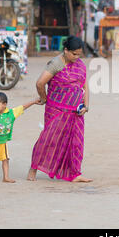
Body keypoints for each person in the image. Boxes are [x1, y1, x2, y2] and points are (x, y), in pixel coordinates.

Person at [27, 36, 92, 183]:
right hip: (56, 110)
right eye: (74, 54)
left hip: (75, 112)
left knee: (75, 142)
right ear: (66, 50)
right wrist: (44, 99)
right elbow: (40, 83)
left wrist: (86, 105)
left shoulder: (80, 65)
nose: (76, 57)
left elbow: (84, 85)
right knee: (48, 140)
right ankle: (33, 169)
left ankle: (75, 173)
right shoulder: (56, 63)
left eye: (79, 54)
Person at [0, 92, 41, 183]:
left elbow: (23, 107)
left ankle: (6, 177)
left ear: (4, 104)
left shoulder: (11, 113)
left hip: (2, 142)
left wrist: (33, 102)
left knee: (5, 159)